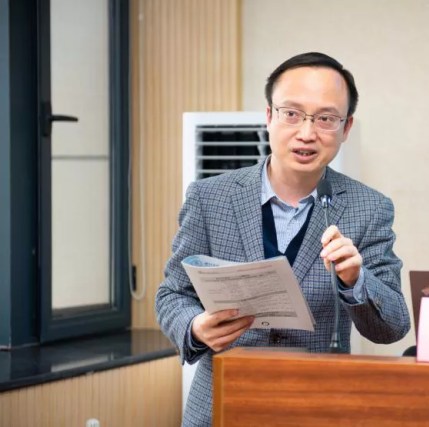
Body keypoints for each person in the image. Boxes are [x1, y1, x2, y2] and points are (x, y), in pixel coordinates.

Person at [156, 52, 410, 427]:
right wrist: (195, 327)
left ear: (346, 128)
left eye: (326, 119)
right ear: (269, 116)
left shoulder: (369, 208)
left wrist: (357, 280)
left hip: (317, 410)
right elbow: (172, 294)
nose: (306, 133)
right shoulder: (209, 197)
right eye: (292, 113)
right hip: (220, 406)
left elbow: (393, 327)